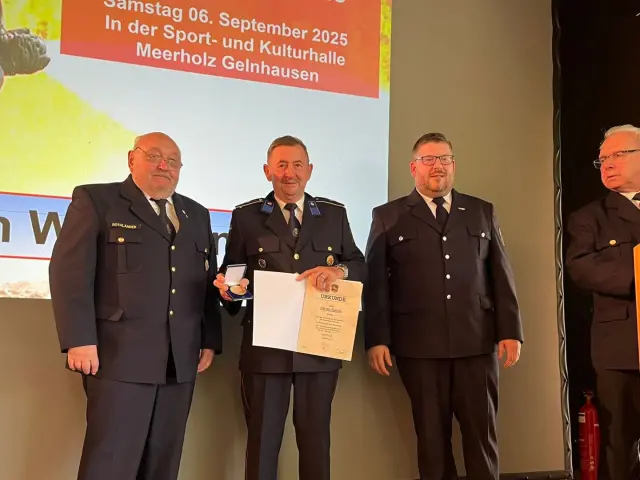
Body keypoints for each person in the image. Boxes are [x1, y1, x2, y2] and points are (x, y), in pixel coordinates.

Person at [49, 132, 221, 480]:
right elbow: (69, 273)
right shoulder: (97, 201)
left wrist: (209, 338)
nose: (164, 166)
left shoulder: (197, 214)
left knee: (163, 464)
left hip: (179, 362)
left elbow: (206, 282)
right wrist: (79, 339)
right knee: (110, 462)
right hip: (118, 358)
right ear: (132, 159)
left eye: (172, 161)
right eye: (154, 156)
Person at [363, 132, 524, 480]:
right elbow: (375, 285)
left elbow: (500, 275)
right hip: (419, 348)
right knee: (432, 442)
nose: (438, 166)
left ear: (453, 165)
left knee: (482, 438)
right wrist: (377, 339)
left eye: (444, 159)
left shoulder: (481, 211)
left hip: (476, 344)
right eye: (429, 159)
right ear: (414, 168)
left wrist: (510, 331)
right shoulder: (388, 216)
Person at [214, 135, 366, 480]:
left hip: (319, 347)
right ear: (267, 171)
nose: (290, 173)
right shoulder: (247, 216)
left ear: (309, 170)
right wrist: (230, 290)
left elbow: (359, 264)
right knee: (262, 443)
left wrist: (339, 271)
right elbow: (232, 274)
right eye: (281, 165)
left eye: (297, 165)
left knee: (316, 442)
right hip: (266, 351)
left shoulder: (333, 214)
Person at [565, 124, 640, 480]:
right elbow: (581, 267)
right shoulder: (589, 217)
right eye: (602, 159)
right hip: (621, 349)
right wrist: (636, 276)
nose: (607, 164)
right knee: (619, 442)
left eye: (618, 155)